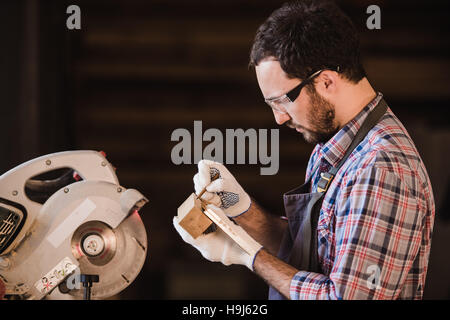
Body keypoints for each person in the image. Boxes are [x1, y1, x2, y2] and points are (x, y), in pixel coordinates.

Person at [173, 0, 435, 300]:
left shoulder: (382, 167)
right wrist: (243, 212)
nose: (279, 118)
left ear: (326, 81)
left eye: (283, 101)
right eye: (271, 105)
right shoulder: (334, 147)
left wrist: (249, 256)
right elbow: (314, 255)